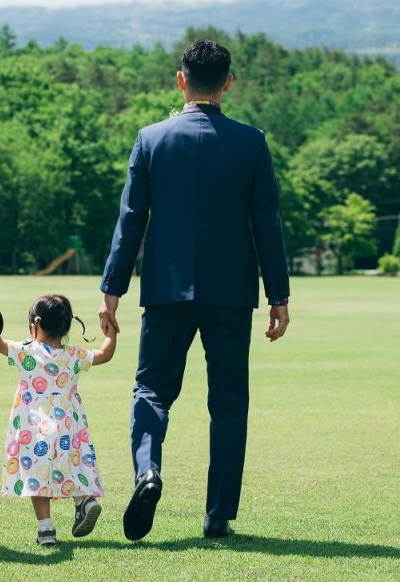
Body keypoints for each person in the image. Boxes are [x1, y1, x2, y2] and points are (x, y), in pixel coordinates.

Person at [98, 39, 290, 542]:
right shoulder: (252, 142)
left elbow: (130, 220)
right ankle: (218, 514)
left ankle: (148, 472)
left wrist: (112, 289)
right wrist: (279, 296)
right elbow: (267, 223)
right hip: (231, 293)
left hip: (165, 289)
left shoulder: (151, 139)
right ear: (228, 82)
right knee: (228, 401)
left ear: (180, 80)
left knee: (151, 390)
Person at [0, 293, 116, 548]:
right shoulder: (73, 354)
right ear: (66, 327)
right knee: (70, 462)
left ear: (34, 325)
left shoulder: (27, 351)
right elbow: (105, 354)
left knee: (36, 474)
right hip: (69, 426)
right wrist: (110, 330)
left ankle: (46, 528)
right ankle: (83, 499)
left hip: (34, 427)